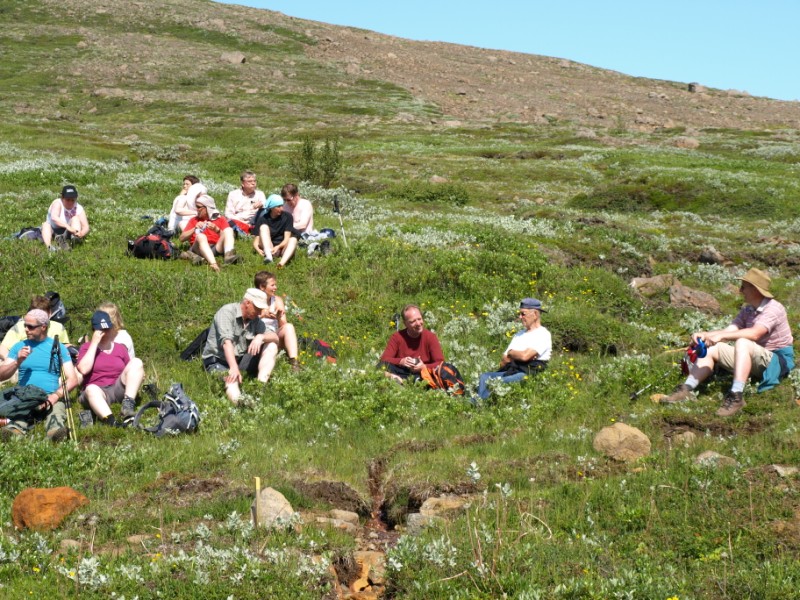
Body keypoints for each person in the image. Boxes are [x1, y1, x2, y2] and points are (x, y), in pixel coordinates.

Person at [661, 268, 794, 416]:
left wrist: (721, 337)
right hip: (755, 357)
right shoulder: (748, 309)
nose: (740, 290)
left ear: (755, 289)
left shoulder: (773, 308)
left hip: (777, 361)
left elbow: (755, 334)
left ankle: (736, 396)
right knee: (712, 348)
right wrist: (705, 335)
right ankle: (686, 388)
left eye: (743, 287)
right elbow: (730, 330)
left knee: (742, 342)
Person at [0, 309, 78, 441]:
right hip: (26, 396)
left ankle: (54, 433)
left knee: (57, 410)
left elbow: (73, 379)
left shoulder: (58, 347)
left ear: (43, 327)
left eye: (30, 326)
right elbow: (2, 375)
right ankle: (14, 431)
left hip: (50, 395)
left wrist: (55, 396)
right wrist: (17, 362)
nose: (26, 329)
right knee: (22, 412)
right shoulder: (19, 347)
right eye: (25, 325)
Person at [201, 289, 271, 405]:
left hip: (240, 360)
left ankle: (260, 387)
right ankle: (241, 405)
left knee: (271, 345)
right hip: (218, 361)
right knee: (231, 379)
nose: (259, 313)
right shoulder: (227, 312)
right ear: (247, 303)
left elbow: (275, 337)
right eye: (257, 308)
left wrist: (260, 337)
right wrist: (233, 368)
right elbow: (226, 343)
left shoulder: (255, 320)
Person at [76, 311, 144, 427]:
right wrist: (94, 343)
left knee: (137, 362)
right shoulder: (86, 348)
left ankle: (128, 406)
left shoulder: (120, 348)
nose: (105, 334)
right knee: (91, 389)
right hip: (97, 390)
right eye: (101, 331)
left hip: (116, 388)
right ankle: (112, 422)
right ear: (94, 330)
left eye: (107, 329)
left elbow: (131, 371)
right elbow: (84, 369)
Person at [476, 298, 552, 401]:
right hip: (513, 369)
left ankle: (478, 402)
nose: (520, 317)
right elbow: (504, 359)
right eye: (520, 314)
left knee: (500, 381)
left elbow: (524, 356)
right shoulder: (519, 334)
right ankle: (480, 402)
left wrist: (512, 353)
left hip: (528, 371)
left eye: (523, 314)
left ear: (535, 314)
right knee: (485, 376)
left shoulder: (543, 334)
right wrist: (516, 354)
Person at [378, 305, 445, 383]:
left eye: (419, 319)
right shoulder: (397, 337)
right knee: (381, 365)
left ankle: (402, 382)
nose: (418, 323)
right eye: (413, 321)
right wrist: (401, 361)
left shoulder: (430, 337)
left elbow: (440, 363)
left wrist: (423, 366)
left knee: (441, 372)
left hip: (422, 373)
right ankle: (395, 378)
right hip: (402, 371)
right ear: (405, 324)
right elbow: (385, 359)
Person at [254, 270, 301, 376]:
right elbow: (247, 321)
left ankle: (294, 362)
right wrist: (262, 315)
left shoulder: (277, 300)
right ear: (262, 287)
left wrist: (279, 317)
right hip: (257, 337)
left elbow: (283, 325)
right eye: (272, 285)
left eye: (275, 285)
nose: (275, 288)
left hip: (274, 335)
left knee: (289, 327)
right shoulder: (253, 301)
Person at [179, 194, 241, 272]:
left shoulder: (220, 219)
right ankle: (213, 264)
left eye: (198, 207)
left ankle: (229, 256)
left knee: (229, 230)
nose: (196, 209)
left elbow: (229, 236)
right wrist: (194, 228)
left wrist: (217, 230)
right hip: (198, 249)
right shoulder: (194, 220)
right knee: (201, 236)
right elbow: (181, 238)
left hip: (215, 247)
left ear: (207, 208)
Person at [0, 295, 71, 362]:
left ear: (49, 313)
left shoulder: (58, 328)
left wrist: (73, 350)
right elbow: (3, 348)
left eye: (42, 315)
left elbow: (65, 347)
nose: (38, 318)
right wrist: (12, 361)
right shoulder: (20, 327)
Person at [253, 194, 298, 268]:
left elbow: (287, 238)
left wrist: (278, 247)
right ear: (271, 208)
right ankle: (269, 256)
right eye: (278, 207)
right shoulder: (262, 219)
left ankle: (281, 263)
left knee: (293, 239)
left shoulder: (288, 217)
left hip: (282, 247)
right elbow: (256, 240)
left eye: (282, 206)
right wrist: (258, 249)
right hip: (269, 246)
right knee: (264, 227)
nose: (281, 209)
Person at [41, 185, 90, 251]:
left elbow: (86, 226)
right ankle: (49, 247)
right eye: (67, 200)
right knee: (46, 225)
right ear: (62, 198)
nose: (70, 202)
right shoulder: (57, 203)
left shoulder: (78, 207)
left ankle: (75, 239)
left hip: (68, 232)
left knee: (75, 218)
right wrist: (68, 227)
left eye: (72, 200)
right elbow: (54, 217)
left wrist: (81, 233)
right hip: (53, 230)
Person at [224, 170, 265, 235]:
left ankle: (248, 231)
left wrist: (261, 205)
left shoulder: (260, 194)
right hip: (238, 221)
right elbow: (228, 214)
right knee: (224, 220)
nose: (253, 183)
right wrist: (241, 219)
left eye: (254, 181)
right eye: (249, 181)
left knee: (264, 211)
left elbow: (265, 209)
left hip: (254, 221)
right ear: (242, 183)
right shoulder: (233, 194)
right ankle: (242, 231)